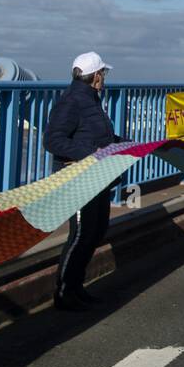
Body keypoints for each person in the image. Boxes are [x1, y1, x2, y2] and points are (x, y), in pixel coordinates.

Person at [44, 51, 121, 310]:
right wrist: (92, 155)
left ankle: (76, 287)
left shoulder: (90, 99)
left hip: (96, 176)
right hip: (77, 178)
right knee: (80, 234)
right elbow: (53, 140)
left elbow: (94, 135)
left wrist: (124, 143)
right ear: (96, 76)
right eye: (104, 73)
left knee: (96, 230)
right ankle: (64, 293)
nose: (105, 78)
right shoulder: (72, 101)